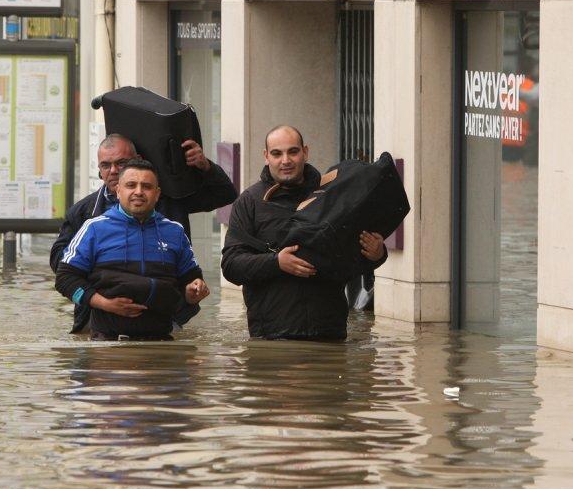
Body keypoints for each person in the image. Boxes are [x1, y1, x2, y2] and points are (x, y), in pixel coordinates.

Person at [221, 125, 387, 340]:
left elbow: (351, 261)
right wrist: (276, 263)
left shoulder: (332, 195)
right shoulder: (249, 202)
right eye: (277, 153)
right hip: (272, 339)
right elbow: (231, 265)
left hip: (329, 336)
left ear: (305, 152)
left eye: (293, 151)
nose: (286, 160)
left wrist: (377, 254)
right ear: (266, 157)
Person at [55, 159, 210, 340]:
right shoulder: (94, 229)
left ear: (157, 193)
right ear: (118, 191)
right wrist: (104, 303)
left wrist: (194, 292)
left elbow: (191, 281)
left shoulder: (174, 231)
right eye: (131, 185)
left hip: (162, 344)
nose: (138, 192)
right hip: (106, 347)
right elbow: (64, 279)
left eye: (146, 186)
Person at [49, 133, 236, 273]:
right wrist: (101, 282)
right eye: (106, 165)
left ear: (137, 161)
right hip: (99, 314)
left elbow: (225, 194)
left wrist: (205, 166)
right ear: (99, 169)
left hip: (161, 312)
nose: (114, 171)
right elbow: (59, 261)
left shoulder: (169, 200)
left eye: (121, 163)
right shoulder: (83, 212)